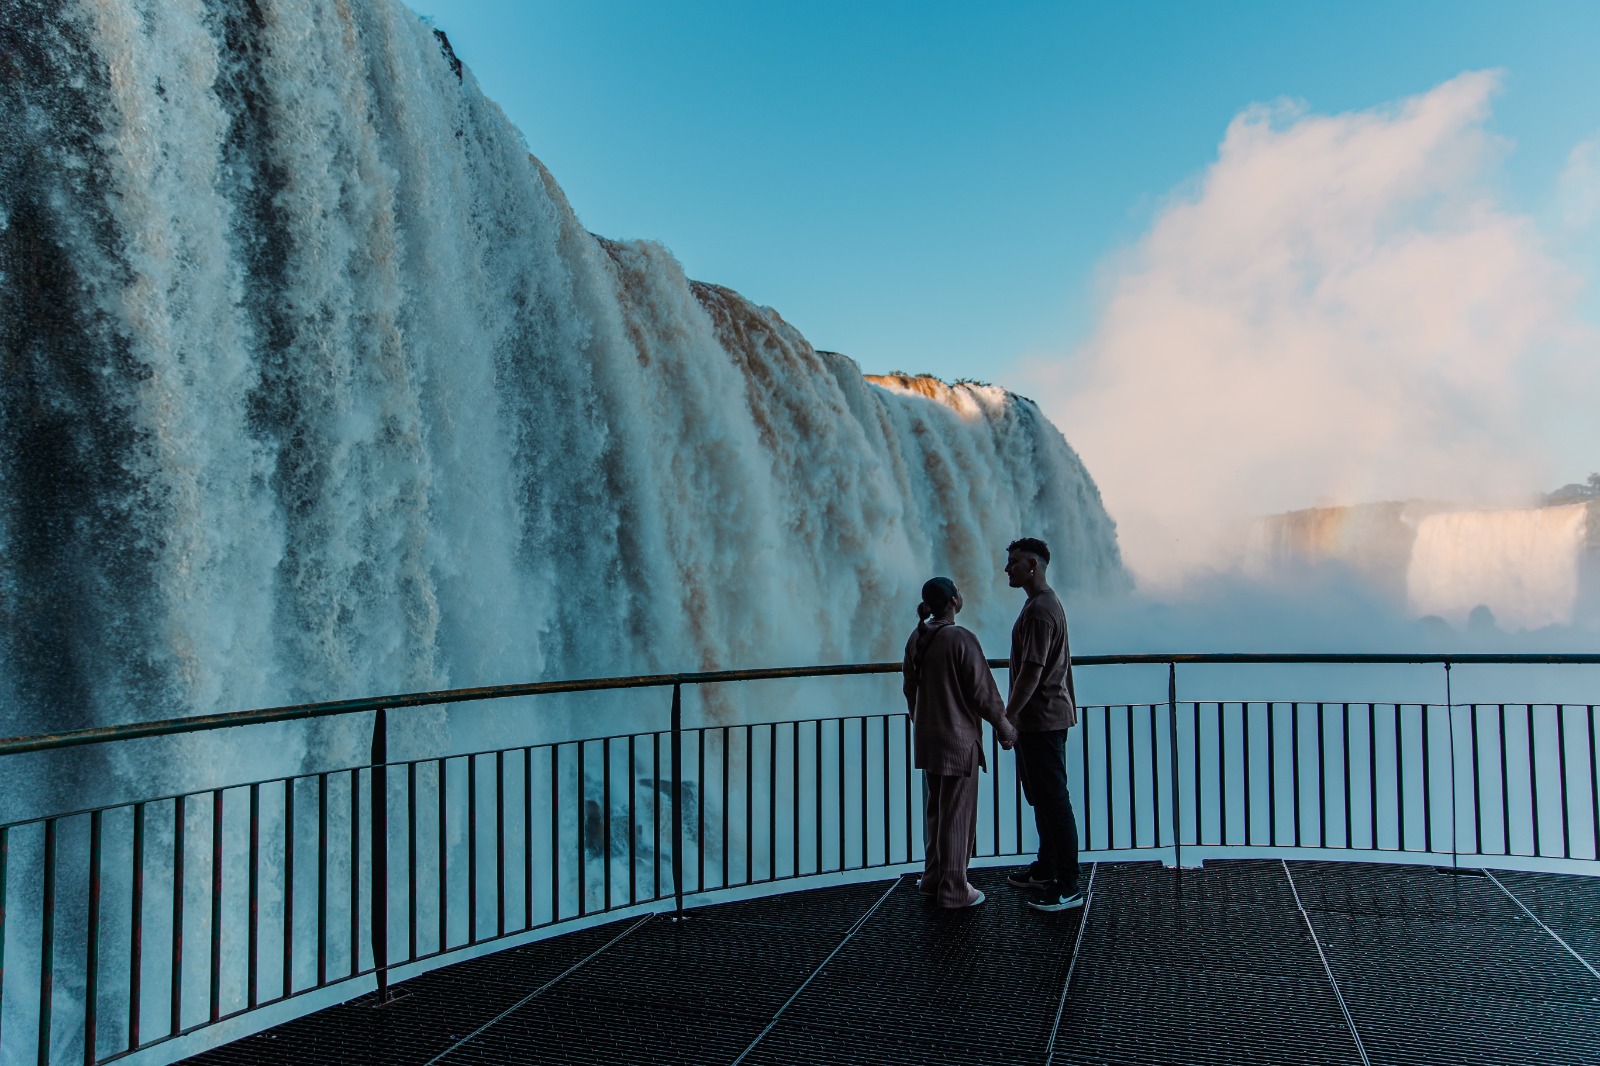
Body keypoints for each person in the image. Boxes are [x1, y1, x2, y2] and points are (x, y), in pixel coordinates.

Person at [902, 576, 1017, 908]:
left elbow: (910, 689)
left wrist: (921, 720)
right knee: (957, 816)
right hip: (958, 740)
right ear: (954, 601)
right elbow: (983, 693)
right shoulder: (960, 638)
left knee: (937, 811)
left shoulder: (917, 638)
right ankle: (953, 889)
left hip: (929, 737)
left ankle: (933, 878)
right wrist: (1005, 728)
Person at [1001, 538, 1085, 913]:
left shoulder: (1039, 611)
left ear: (1032, 565)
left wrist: (1007, 717)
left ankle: (1068, 884)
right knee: (1043, 797)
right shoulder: (1043, 604)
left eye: (1013, 563)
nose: (1007, 569)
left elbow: (1031, 673)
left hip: (1042, 720)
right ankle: (1047, 867)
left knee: (1053, 800)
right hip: (1045, 718)